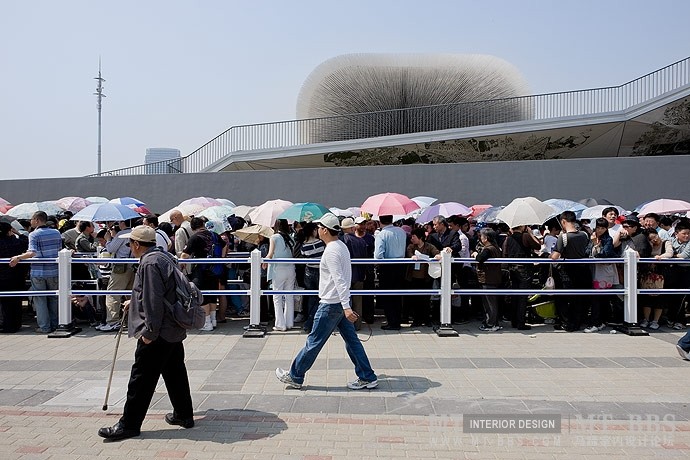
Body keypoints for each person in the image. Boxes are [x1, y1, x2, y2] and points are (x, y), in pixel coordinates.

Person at [98, 226, 194, 441]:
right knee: (175, 372)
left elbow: (153, 299)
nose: (130, 247)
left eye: (130, 243)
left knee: (141, 378)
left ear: (137, 244)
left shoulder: (149, 263)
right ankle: (184, 414)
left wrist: (149, 331)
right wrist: (135, 302)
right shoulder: (164, 257)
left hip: (158, 330)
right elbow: (160, 292)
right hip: (172, 327)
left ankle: (129, 424)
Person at [275, 213, 377, 390]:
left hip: (331, 304)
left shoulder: (331, 250)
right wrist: (346, 304)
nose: (318, 230)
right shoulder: (341, 246)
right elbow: (343, 278)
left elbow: (339, 280)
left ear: (325, 230)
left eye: (320, 227)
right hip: (339, 302)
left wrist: (345, 306)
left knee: (314, 341)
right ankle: (367, 376)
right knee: (352, 342)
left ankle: (295, 375)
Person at [9, 211, 63, 333]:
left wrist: (18, 257)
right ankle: (55, 324)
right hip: (54, 270)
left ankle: (44, 327)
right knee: (54, 298)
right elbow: (60, 250)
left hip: (39, 272)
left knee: (40, 299)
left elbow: (32, 252)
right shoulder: (56, 232)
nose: (30, 221)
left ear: (37, 220)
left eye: (32, 219)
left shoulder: (34, 234)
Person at [551, 211, 592, 332]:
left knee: (564, 298)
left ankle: (567, 323)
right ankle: (577, 322)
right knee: (579, 298)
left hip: (568, 271)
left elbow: (555, 256)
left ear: (563, 221)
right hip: (584, 270)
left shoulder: (563, 237)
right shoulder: (584, 235)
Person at [181, 217, 222, 332]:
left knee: (202, 294)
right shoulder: (214, 235)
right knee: (213, 294)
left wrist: (181, 264)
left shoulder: (195, 237)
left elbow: (185, 255)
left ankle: (207, 322)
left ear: (193, 227)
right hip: (215, 270)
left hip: (202, 270)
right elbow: (223, 246)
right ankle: (213, 320)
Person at [374, 215, 407, 330]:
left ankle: (392, 322)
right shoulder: (402, 231)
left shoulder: (382, 234)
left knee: (387, 296)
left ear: (379, 222)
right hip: (401, 265)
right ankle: (397, 320)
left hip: (387, 267)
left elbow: (378, 255)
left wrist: (378, 264)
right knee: (397, 295)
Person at [100, 219, 134, 332]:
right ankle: (132, 320)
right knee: (131, 293)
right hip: (132, 266)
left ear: (123, 222)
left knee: (113, 293)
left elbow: (111, 248)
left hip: (120, 267)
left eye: (119, 222)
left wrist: (109, 239)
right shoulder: (134, 232)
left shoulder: (122, 234)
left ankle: (113, 321)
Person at [263, 219, 296, 331]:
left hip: (279, 269)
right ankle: (289, 322)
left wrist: (264, 261)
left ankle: (280, 324)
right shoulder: (290, 237)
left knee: (277, 297)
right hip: (291, 268)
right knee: (289, 296)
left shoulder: (274, 237)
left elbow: (270, 254)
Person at [405, 227, 439, 327]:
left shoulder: (429, 246)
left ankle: (427, 319)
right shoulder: (411, 247)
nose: (412, 238)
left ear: (420, 237)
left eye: (414, 236)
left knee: (426, 299)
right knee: (415, 299)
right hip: (413, 277)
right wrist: (412, 257)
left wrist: (437, 256)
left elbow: (436, 252)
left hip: (426, 277)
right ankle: (417, 320)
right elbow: (409, 253)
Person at [0, 221, 29, 333]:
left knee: (5, 302)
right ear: (9, 231)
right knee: (16, 301)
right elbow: (26, 242)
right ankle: (16, 324)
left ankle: (7, 325)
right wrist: (19, 233)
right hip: (17, 276)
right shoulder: (15, 241)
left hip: (2, 277)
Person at [474, 228, 503, 332]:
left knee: (489, 303)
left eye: (481, 236)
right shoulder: (495, 247)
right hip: (493, 278)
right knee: (491, 302)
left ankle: (491, 323)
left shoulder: (488, 249)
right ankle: (492, 322)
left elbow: (480, 258)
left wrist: (475, 254)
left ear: (486, 238)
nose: (480, 238)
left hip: (488, 278)